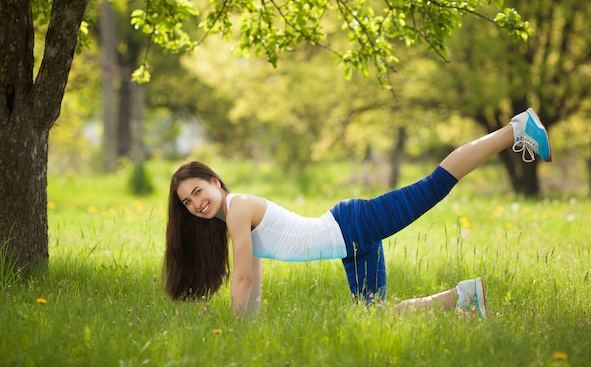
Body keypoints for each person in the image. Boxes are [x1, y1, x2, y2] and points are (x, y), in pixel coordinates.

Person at [164, 108, 552, 317]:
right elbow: (255, 277)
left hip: (352, 225)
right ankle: (463, 297)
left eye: (198, 191)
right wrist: (246, 324)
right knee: (376, 317)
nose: (196, 204)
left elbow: (244, 279)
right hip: (351, 245)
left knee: (435, 184)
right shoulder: (232, 218)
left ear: (215, 182)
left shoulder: (236, 208)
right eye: (187, 202)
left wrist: (231, 330)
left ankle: (515, 129)